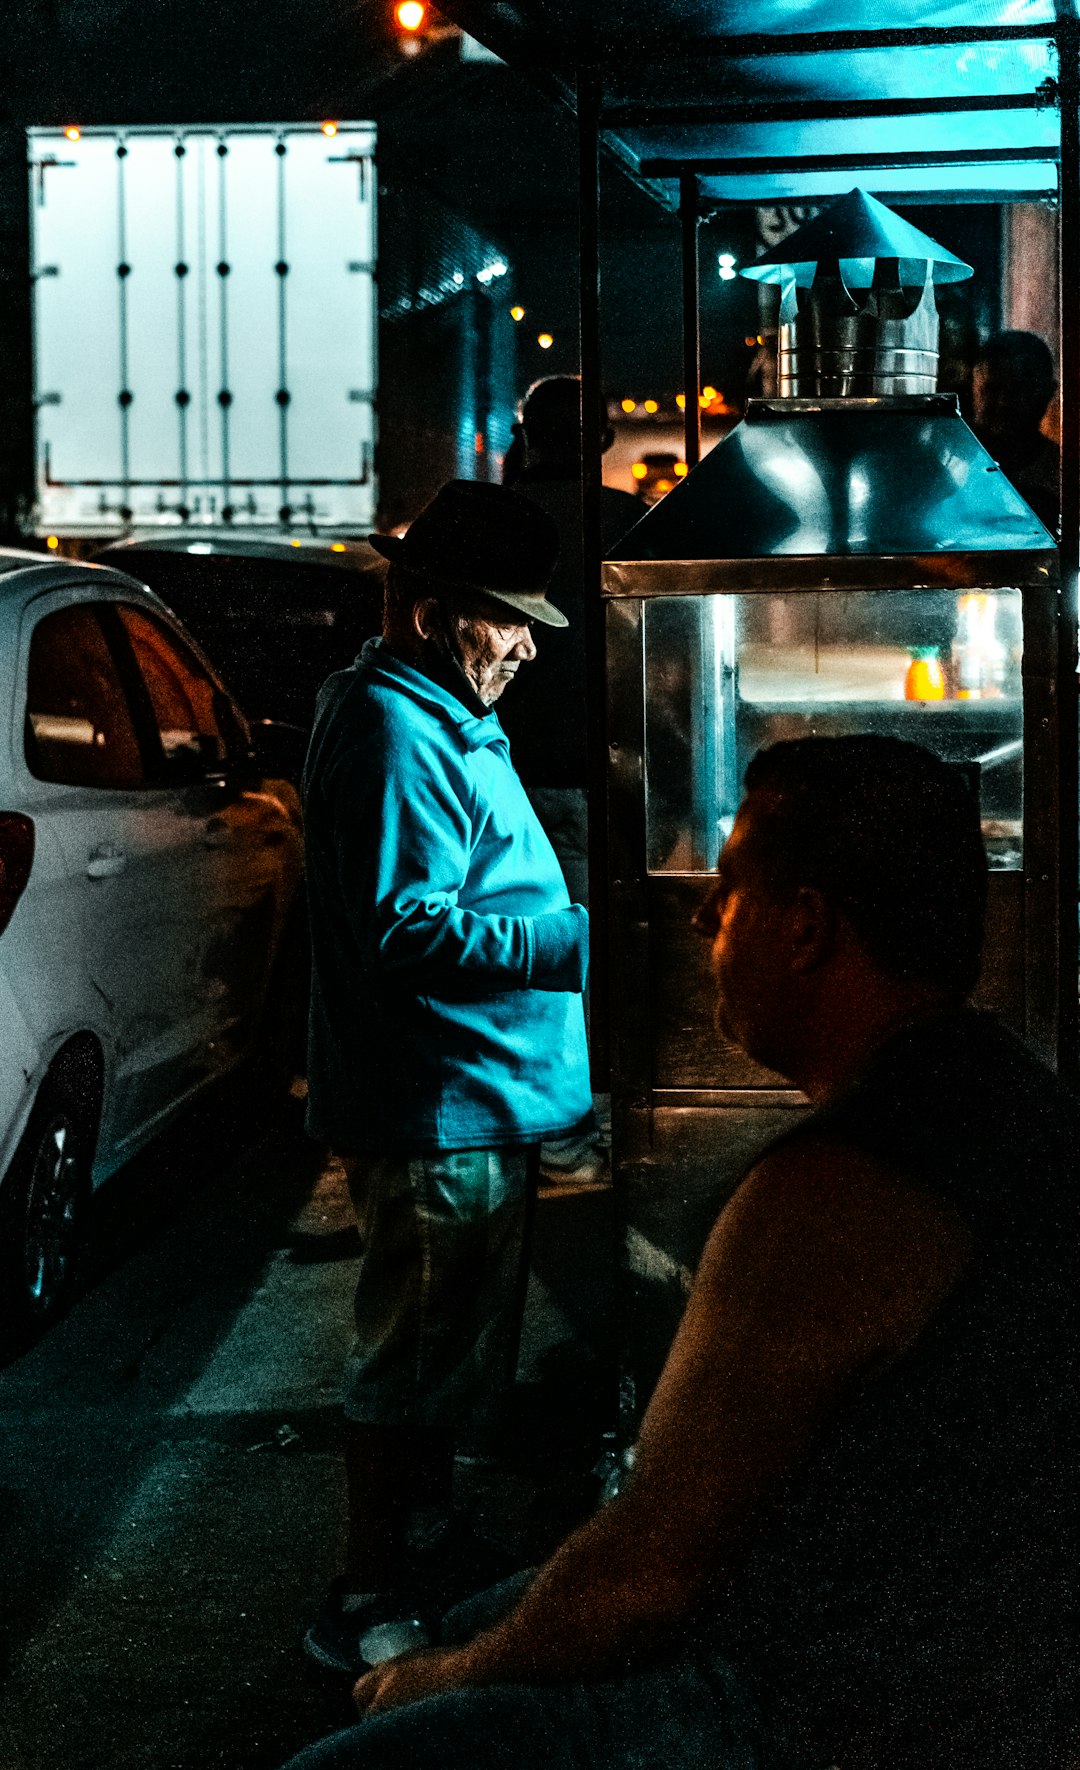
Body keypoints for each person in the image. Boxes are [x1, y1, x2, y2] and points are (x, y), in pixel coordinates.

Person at [284, 734, 1079, 1768]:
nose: (704, 915)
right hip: (961, 1646)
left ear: (806, 928)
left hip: (850, 1702)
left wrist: (423, 1685)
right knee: (488, 1607)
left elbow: (643, 1583)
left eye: (731, 883)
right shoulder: (999, 1092)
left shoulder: (835, 1192)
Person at [301, 479, 593, 1676]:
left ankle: (424, 1542)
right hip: (439, 1106)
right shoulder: (394, 728)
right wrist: (573, 938)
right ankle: (366, 1597)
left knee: (445, 1358)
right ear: (430, 614)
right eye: (506, 616)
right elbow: (402, 927)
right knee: (411, 1361)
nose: (525, 642)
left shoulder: (436, 713)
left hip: (478, 1099)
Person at [498, 376, 640, 1184]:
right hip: (596, 776)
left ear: (529, 435)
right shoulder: (624, 524)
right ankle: (565, 1135)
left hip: (501, 776)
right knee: (582, 962)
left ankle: (525, 1123)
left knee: (514, 954)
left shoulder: (504, 521)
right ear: (601, 440)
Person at [971, 328, 1059, 533]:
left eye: (1018, 391)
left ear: (1047, 393)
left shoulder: (1063, 473)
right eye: (992, 390)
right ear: (974, 388)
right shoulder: (953, 465)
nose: (1003, 403)